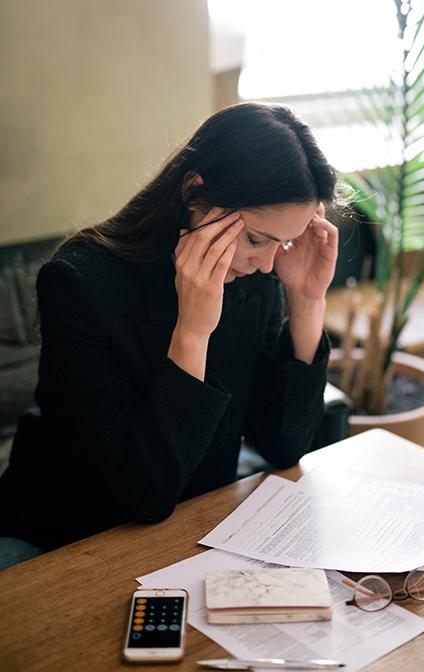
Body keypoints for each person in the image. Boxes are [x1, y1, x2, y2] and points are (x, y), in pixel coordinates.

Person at [0, 102, 339, 567]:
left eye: (282, 242)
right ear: (193, 191)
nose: (266, 262)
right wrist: (192, 334)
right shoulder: (79, 284)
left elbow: (283, 448)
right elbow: (144, 497)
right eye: (257, 239)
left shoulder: (255, 278)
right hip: (75, 532)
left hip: (195, 525)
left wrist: (306, 301)